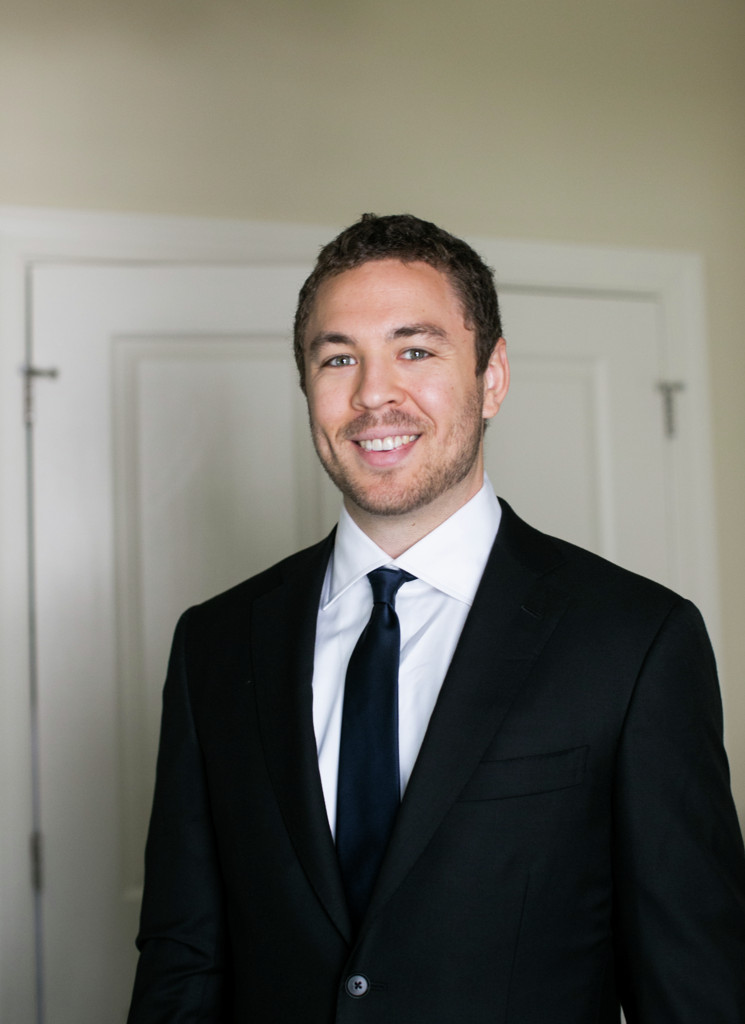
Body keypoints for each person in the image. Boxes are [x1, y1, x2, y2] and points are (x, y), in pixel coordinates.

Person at [127, 213, 745, 1023]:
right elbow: (183, 959)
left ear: (492, 378)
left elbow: (694, 985)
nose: (372, 394)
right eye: (338, 358)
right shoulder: (214, 643)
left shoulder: (634, 643)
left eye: (414, 351)